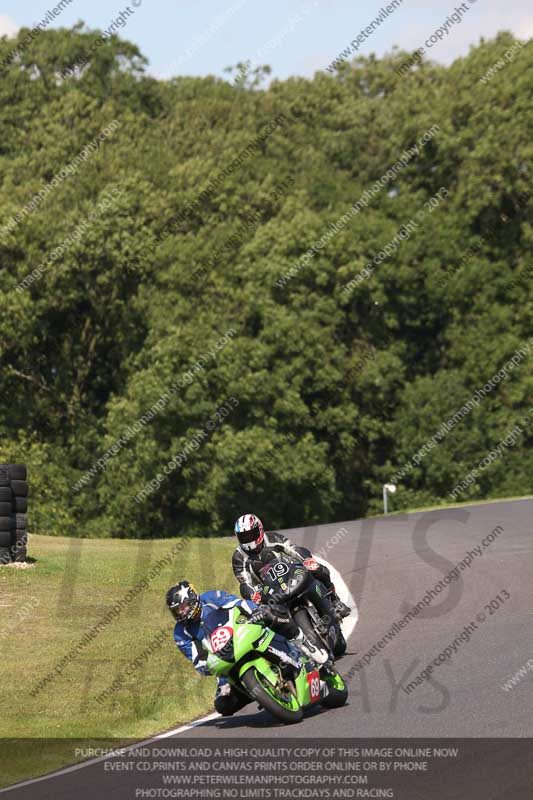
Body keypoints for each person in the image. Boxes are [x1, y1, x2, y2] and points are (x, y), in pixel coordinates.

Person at [166, 580, 327, 717]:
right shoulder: (180, 633)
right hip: (224, 659)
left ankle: (304, 644)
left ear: (193, 599)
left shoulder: (211, 597)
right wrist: (207, 667)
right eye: (176, 611)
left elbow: (239, 603)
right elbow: (197, 659)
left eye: (183, 607)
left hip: (242, 633)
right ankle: (259, 692)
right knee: (223, 704)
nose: (181, 613)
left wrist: (254, 611)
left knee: (271, 613)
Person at [232, 513, 351, 619]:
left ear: (260, 530)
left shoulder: (272, 538)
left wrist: (306, 560)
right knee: (261, 615)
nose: (248, 539)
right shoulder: (239, 557)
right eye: (244, 537)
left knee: (317, 568)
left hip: (289, 572)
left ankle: (335, 600)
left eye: (251, 535)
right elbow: (244, 583)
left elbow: (293, 549)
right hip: (268, 589)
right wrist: (252, 594)